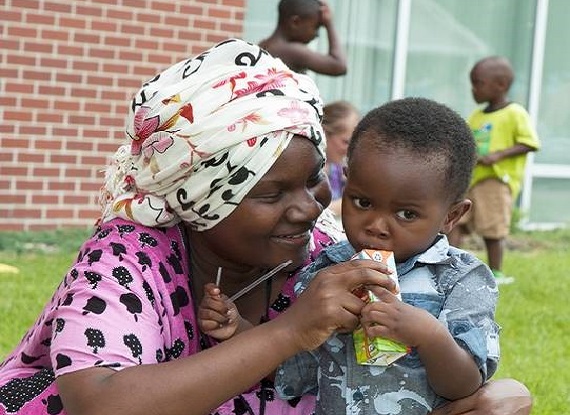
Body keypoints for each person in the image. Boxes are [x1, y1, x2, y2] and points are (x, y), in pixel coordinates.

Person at [0, 39, 532, 415]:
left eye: (315, 181)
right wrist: (289, 330)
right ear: (202, 197)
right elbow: (102, 405)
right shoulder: (129, 257)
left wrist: (486, 396)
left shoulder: (329, 253)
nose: (308, 208)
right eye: (272, 193)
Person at [268, 97, 499, 414]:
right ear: (347, 184)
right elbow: (296, 372)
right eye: (362, 202)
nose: (376, 226)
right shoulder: (327, 270)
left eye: (406, 213)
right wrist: (239, 329)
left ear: (452, 215)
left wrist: (429, 335)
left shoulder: (460, 279)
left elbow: (466, 386)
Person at [448, 56, 541, 285]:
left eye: (478, 83)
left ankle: (496, 272)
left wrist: (498, 155)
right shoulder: (477, 116)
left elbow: (529, 142)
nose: (473, 89)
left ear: (500, 85)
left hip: (496, 180)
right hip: (472, 179)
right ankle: (448, 263)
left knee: (493, 226)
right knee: (456, 221)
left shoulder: (515, 113)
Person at [259, 0, 347, 76]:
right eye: (316, 27)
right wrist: (329, 24)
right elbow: (339, 66)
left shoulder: (264, 44)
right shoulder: (292, 51)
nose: (317, 35)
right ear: (295, 22)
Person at [322, 100, 360, 217]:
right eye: (346, 142)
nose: (350, 150)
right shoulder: (307, 171)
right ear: (324, 133)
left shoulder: (338, 170)